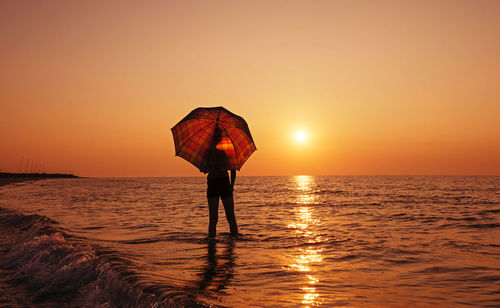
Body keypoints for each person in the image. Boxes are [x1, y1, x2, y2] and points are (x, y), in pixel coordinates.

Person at [203, 129, 238, 239]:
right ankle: (234, 240)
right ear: (218, 139)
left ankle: (211, 243)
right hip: (224, 183)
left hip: (212, 183)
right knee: (230, 216)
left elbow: (203, 169)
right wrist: (231, 186)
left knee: (213, 218)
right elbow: (232, 169)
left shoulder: (207, 154)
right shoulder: (223, 153)